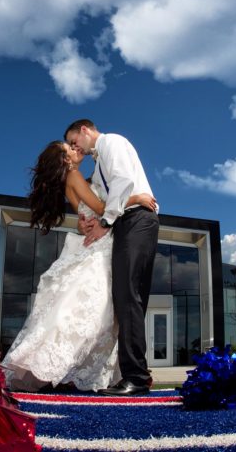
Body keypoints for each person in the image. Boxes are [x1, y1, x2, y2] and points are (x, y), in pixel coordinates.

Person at [1, 141, 156, 392]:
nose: (76, 150)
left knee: (86, 310)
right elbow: (101, 208)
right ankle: (61, 367)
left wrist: (81, 225)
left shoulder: (71, 181)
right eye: (70, 149)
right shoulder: (74, 175)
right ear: (66, 160)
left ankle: (68, 369)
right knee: (94, 310)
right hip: (101, 244)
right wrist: (137, 198)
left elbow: (83, 217)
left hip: (95, 240)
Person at [65, 119, 159, 396]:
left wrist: (106, 222)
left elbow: (123, 180)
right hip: (127, 222)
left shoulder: (111, 142)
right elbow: (102, 200)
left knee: (127, 295)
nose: (75, 147)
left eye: (74, 141)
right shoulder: (96, 165)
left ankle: (136, 377)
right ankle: (138, 374)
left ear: (85, 130)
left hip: (136, 221)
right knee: (129, 298)